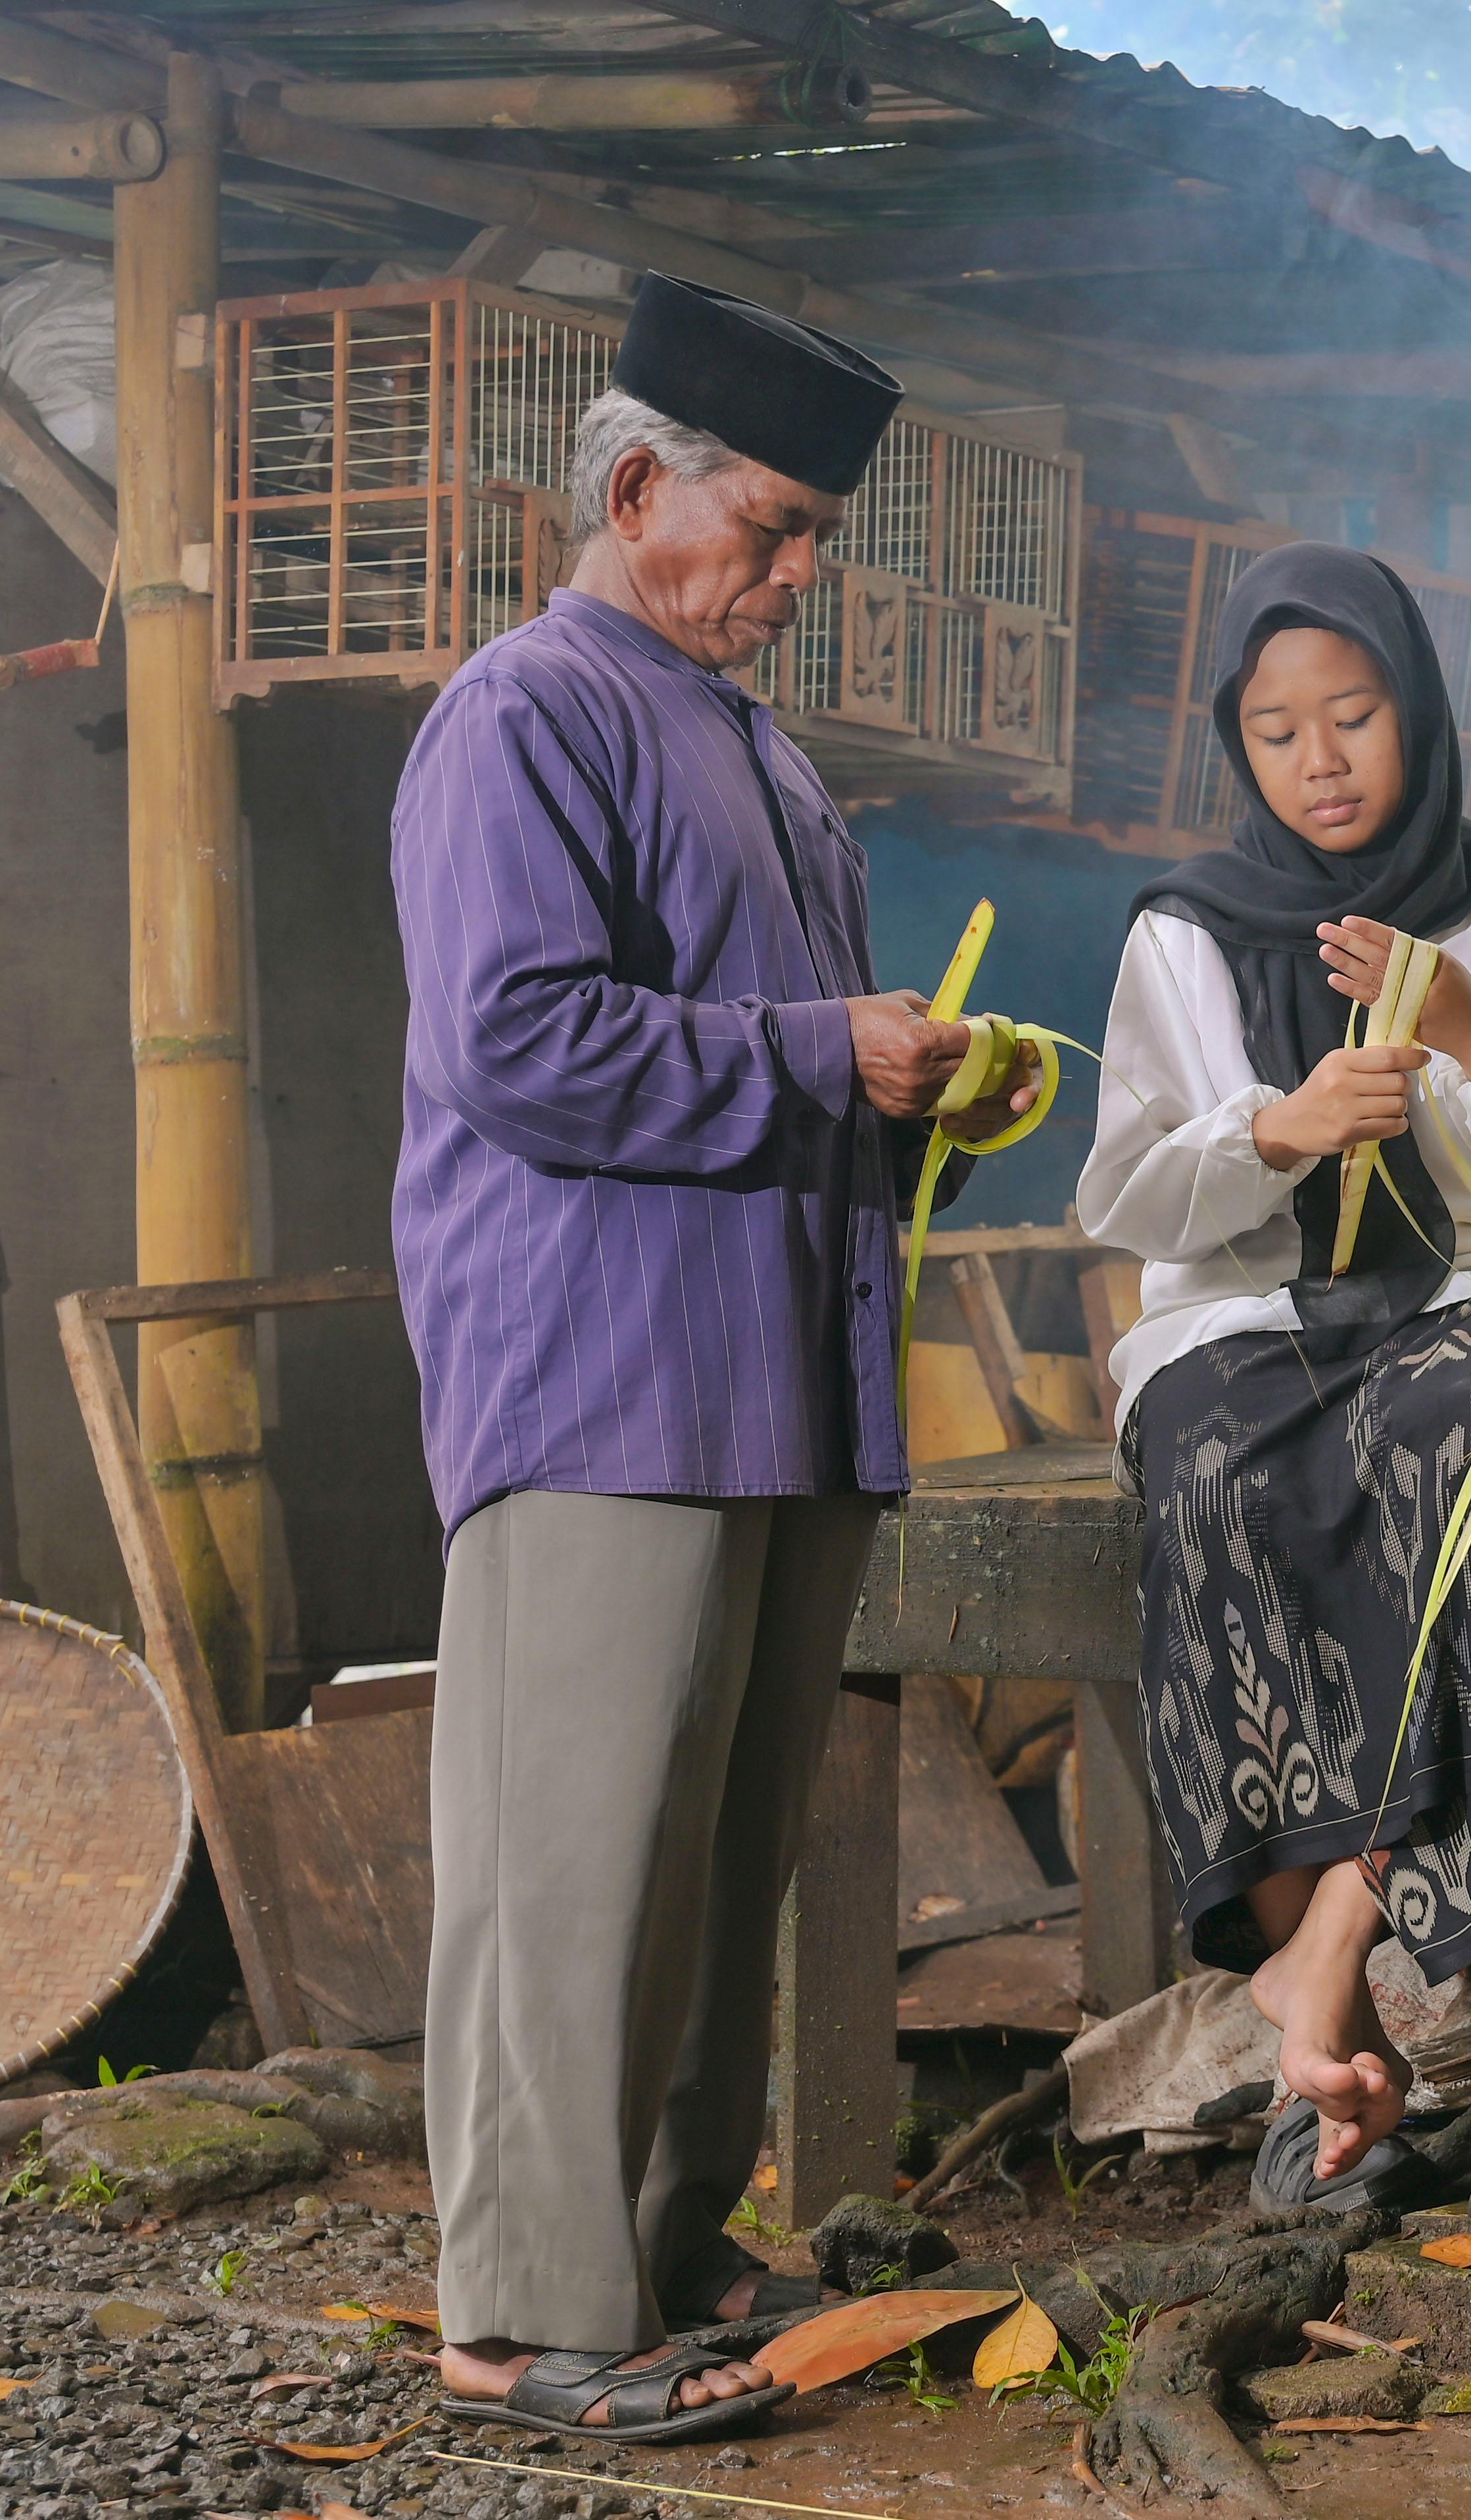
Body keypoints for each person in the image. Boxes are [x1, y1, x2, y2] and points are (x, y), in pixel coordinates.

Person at [393, 275, 1030, 2442]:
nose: (789, 576)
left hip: (770, 1369)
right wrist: (817, 1050)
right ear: (636, 483)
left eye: (809, 543)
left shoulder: (749, 741)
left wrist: (909, 1080)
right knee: (570, 1849)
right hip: (599, 1375)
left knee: (711, 1845)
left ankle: (655, 2251)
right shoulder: (525, 709)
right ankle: (521, 2310)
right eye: (764, 528)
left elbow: (787, 1064)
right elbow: (511, 1040)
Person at [1080, 543, 1471, 2216]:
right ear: (1238, 745)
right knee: (1212, 1463)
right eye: (1278, 730)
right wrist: (1274, 1128)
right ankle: (1432, 2051)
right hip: (1252, 1314)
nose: (1321, 759)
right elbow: (1124, 1188)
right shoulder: (1185, 931)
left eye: (1353, 716)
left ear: (1416, 712)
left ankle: (1342, 1989)